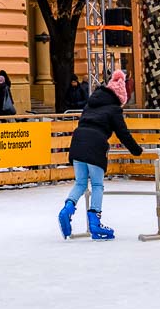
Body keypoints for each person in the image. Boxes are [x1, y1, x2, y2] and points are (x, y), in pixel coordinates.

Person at [58, 68, 143, 240]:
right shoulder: (114, 109)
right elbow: (122, 133)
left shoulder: (91, 103)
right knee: (97, 185)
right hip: (95, 145)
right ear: (120, 97)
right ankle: (95, 223)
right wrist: (136, 150)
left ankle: (67, 209)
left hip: (78, 142)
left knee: (81, 183)